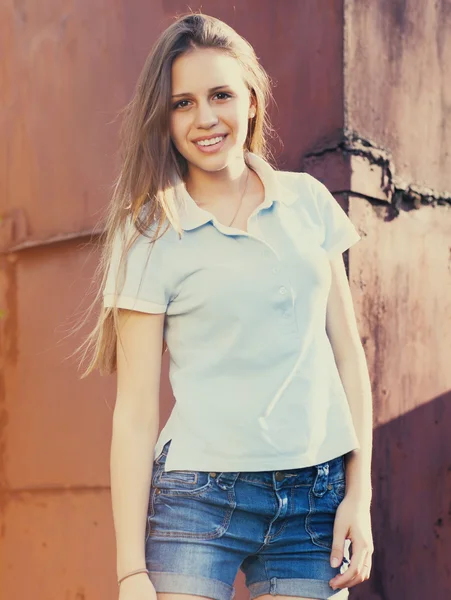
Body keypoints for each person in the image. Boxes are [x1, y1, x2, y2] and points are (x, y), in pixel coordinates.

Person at [79, 11, 374, 600]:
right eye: (182, 103)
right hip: (199, 499)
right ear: (162, 120)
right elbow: (135, 411)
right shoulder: (148, 234)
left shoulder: (308, 202)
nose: (205, 118)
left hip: (313, 504)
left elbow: (348, 357)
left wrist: (359, 495)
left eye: (220, 95)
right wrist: (129, 569)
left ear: (252, 101)